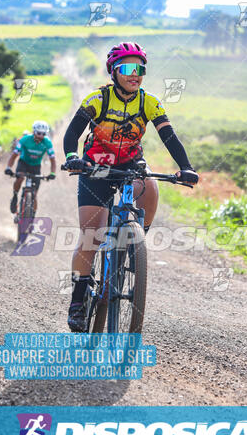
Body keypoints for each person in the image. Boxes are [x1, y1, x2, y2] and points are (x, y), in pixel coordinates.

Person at [63, 41, 199, 332]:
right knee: (92, 236)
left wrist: (185, 167)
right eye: (127, 68)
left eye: (140, 68)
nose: (134, 74)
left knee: (151, 186)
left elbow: (170, 137)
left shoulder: (149, 102)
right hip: (95, 168)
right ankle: (78, 299)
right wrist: (72, 157)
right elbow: (73, 132)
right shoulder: (97, 99)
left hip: (129, 164)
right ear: (114, 71)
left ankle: (137, 242)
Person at [4, 120, 56, 214]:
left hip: (36, 166)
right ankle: (15, 196)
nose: (41, 136)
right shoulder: (25, 139)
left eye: (43, 134)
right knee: (19, 178)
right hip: (23, 163)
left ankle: (32, 217)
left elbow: (52, 159)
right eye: (38, 133)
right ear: (33, 132)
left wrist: (52, 173)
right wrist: (8, 167)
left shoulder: (47, 142)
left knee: (34, 194)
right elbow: (14, 155)